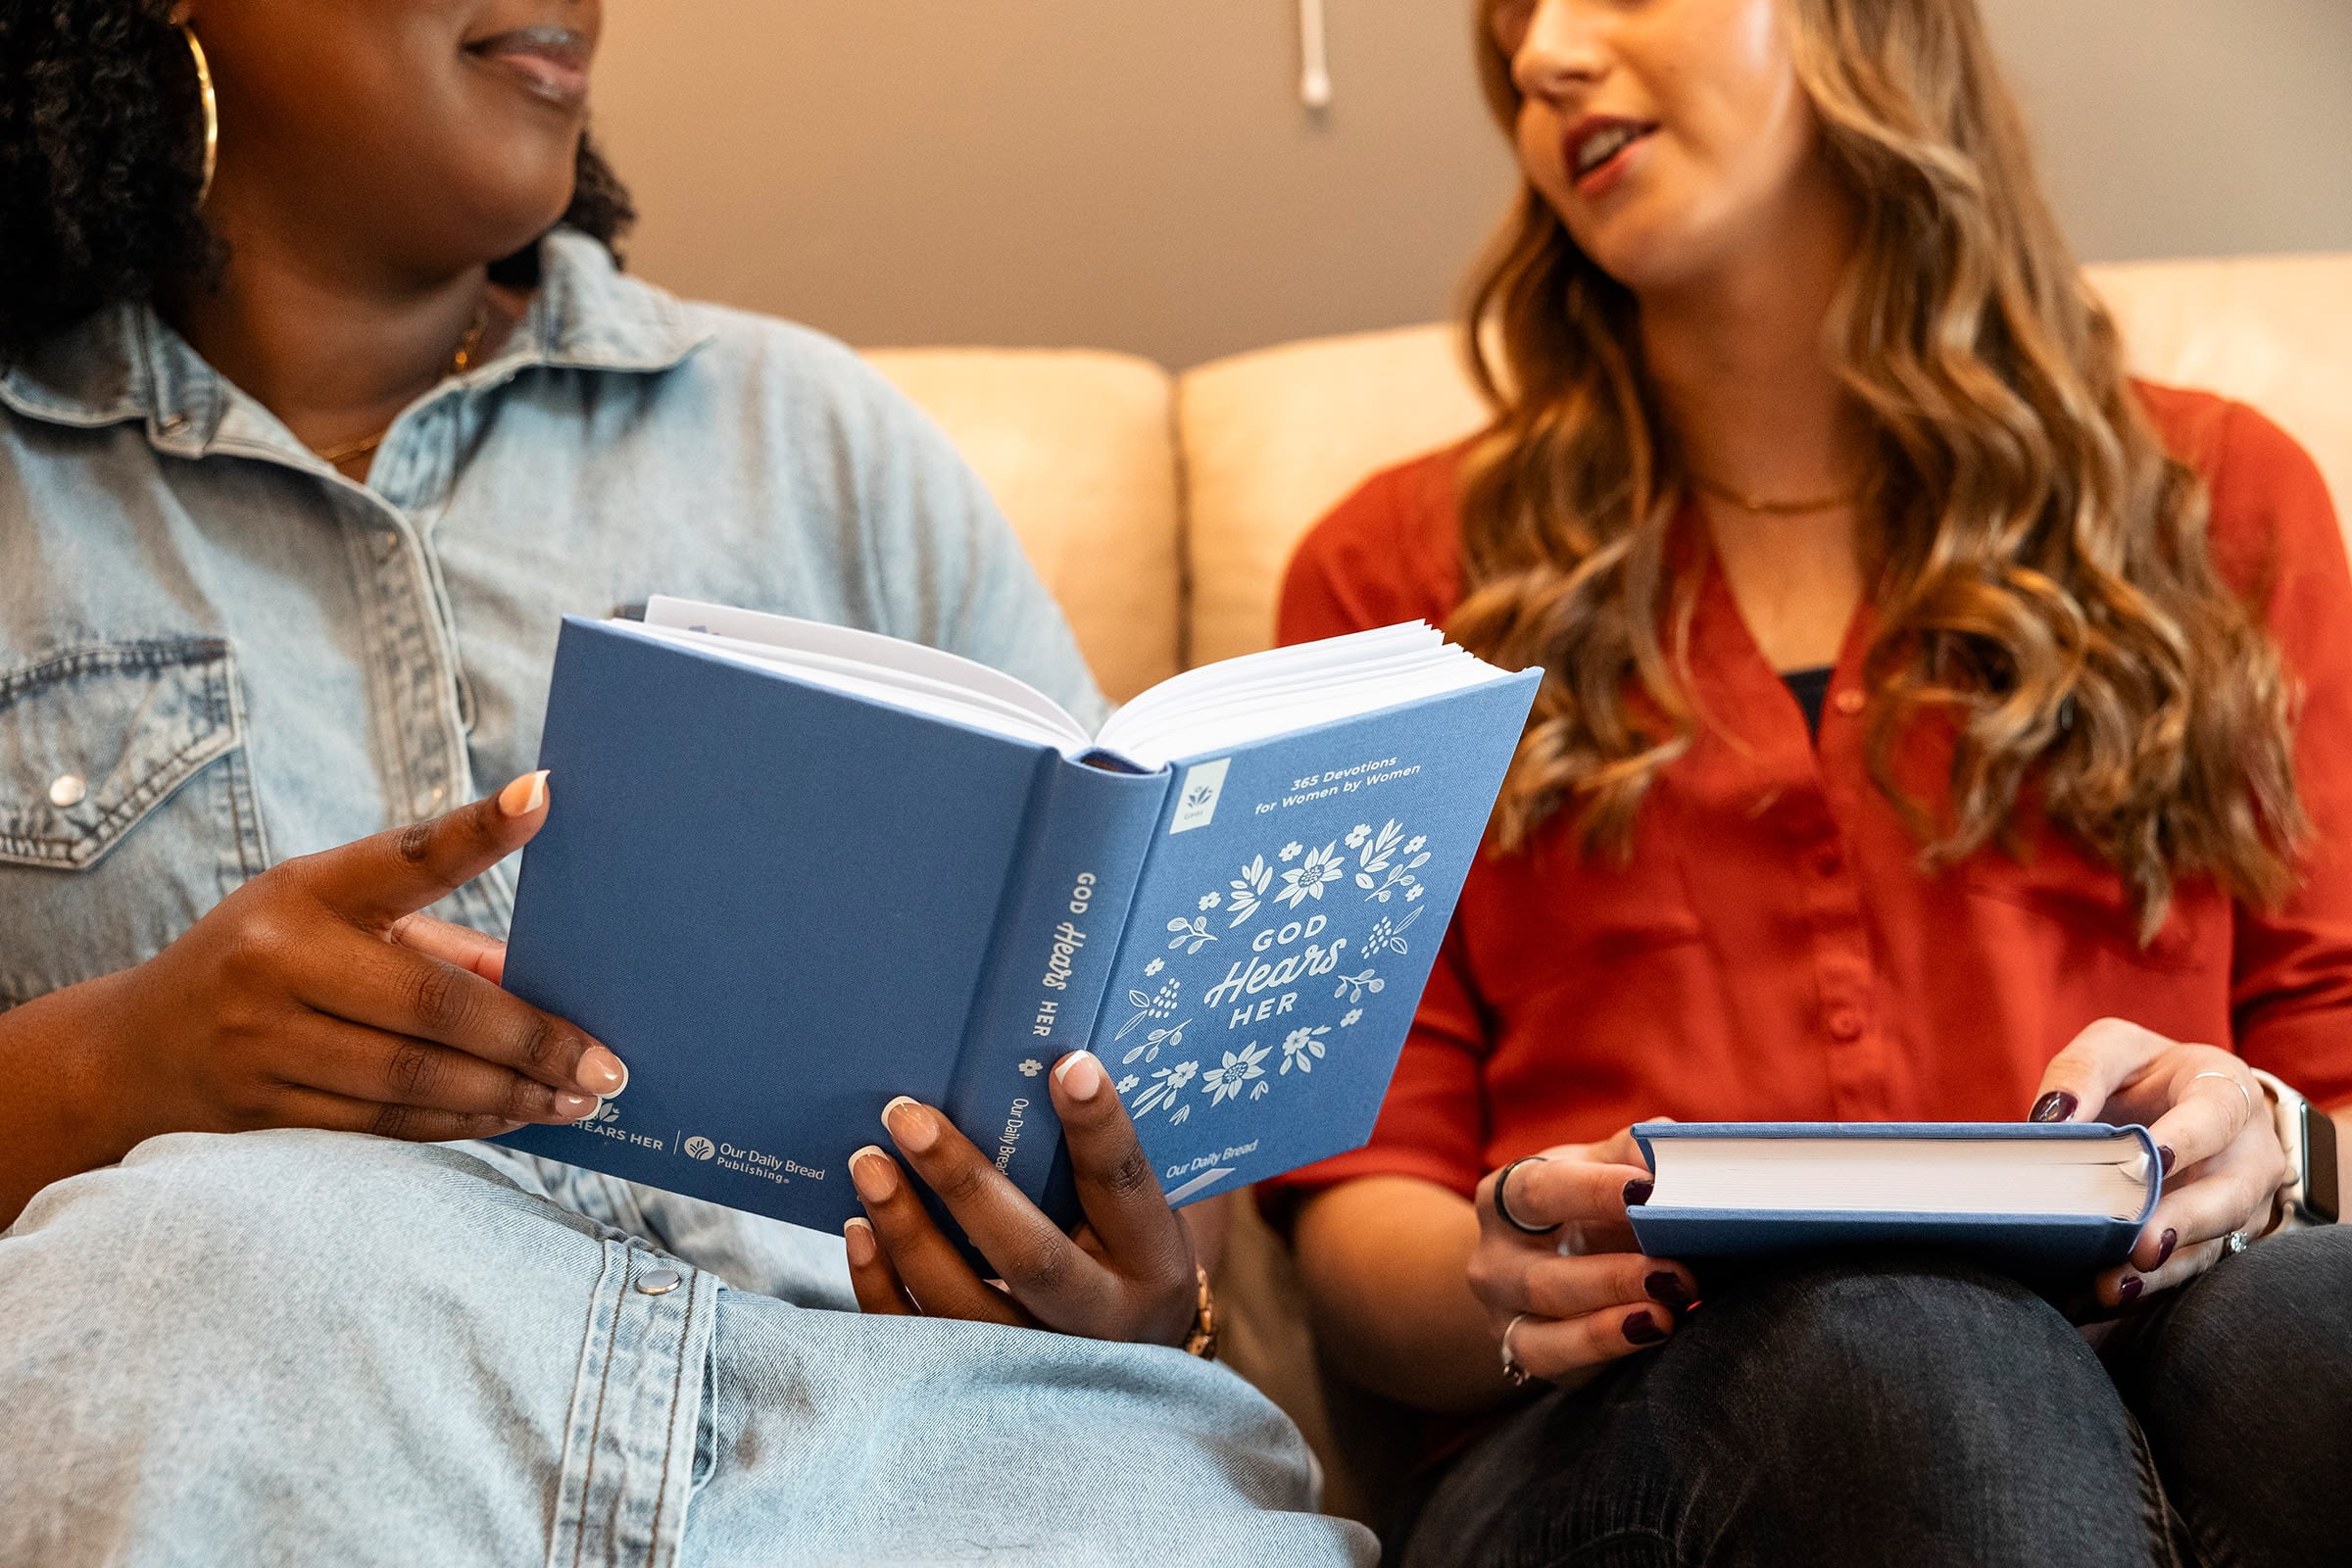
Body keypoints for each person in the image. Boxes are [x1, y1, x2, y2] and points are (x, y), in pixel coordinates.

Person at [0, 3, 1373, 1563]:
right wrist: (121, 1062)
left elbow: (1143, 1103)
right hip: (284, 1383)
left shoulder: (823, 444)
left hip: (922, 1445)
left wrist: (1131, 1277)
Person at [1269, 1, 2352, 1564]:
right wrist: (1504, 1275)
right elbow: (1368, 1202)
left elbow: (2332, 1076)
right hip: (1623, 1441)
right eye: (1512, 24)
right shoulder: (1396, 582)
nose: (1543, 58)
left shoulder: (2223, 503)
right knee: (1926, 1356)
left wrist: (2264, 1137)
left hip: (2160, 1334)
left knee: (2319, 1323)